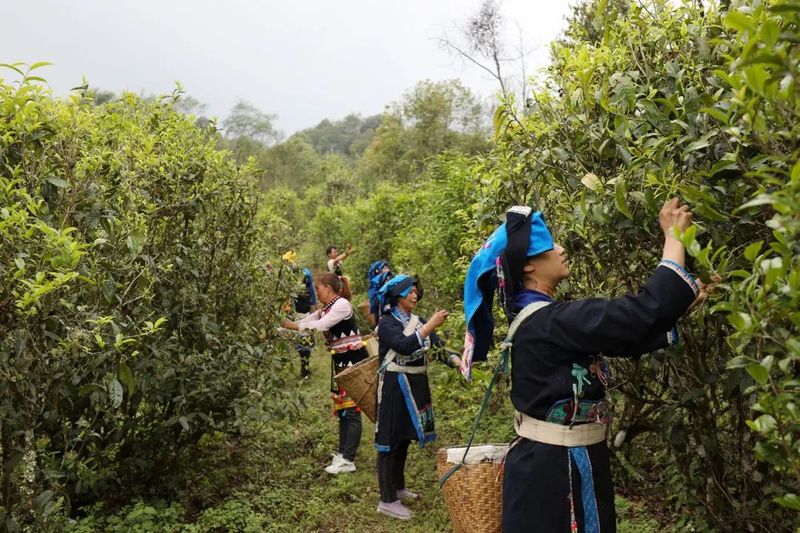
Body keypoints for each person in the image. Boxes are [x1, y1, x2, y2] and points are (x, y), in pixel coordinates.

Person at [461, 199, 709, 532]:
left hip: (555, 462)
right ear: (529, 267)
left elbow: (625, 337)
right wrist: (674, 238)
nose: (562, 249)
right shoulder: (549, 321)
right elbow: (638, 316)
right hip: (554, 472)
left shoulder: (546, 320)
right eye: (550, 245)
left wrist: (677, 303)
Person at [374, 275, 461, 520]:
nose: (415, 296)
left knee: (403, 438)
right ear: (398, 296)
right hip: (394, 385)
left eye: (415, 292)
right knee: (389, 441)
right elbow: (404, 345)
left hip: (415, 384)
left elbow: (437, 346)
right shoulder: (387, 323)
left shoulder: (417, 320)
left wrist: (457, 362)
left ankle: (398, 488)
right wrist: (430, 325)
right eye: (409, 292)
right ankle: (386, 499)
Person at [281, 272, 367, 474]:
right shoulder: (327, 308)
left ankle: (348, 458)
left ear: (328, 288)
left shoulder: (341, 305)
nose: (316, 293)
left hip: (353, 362)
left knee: (351, 410)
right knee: (343, 410)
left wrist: (292, 325)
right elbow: (307, 322)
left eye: (318, 288)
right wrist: (282, 327)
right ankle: (343, 453)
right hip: (341, 362)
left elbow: (319, 326)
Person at [366, 259, 394, 326]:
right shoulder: (375, 282)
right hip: (382, 311)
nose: (387, 270)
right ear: (378, 271)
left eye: (387, 268)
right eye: (384, 268)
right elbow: (374, 301)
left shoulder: (391, 278)